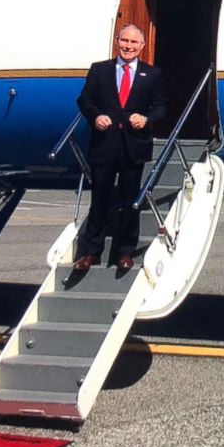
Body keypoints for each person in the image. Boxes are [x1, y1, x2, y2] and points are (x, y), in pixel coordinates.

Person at [74, 23, 166, 272]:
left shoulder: (152, 74)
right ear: (117, 41)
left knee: (130, 201)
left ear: (142, 46)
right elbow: (84, 99)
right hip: (104, 145)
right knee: (99, 200)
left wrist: (147, 120)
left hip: (133, 146)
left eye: (134, 43)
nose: (128, 46)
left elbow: (160, 108)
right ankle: (91, 252)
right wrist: (95, 116)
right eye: (125, 41)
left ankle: (125, 252)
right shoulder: (99, 70)